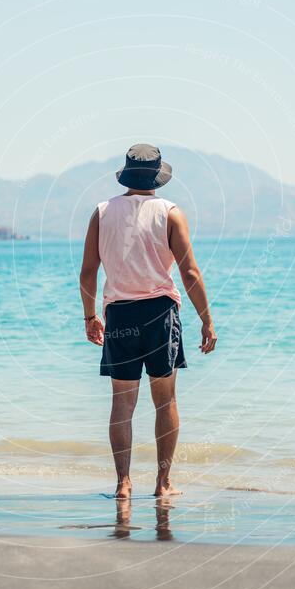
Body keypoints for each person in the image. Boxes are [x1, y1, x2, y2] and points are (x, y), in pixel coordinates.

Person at [79, 144, 217, 499]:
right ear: (158, 178)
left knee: (122, 403)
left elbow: (88, 273)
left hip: (120, 313)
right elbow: (189, 272)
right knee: (165, 402)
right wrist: (207, 320)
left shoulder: (101, 212)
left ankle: (123, 483)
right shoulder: (170, 213)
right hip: (160, 313)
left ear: (126, 174)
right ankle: (162, 482)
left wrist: (90, 315)